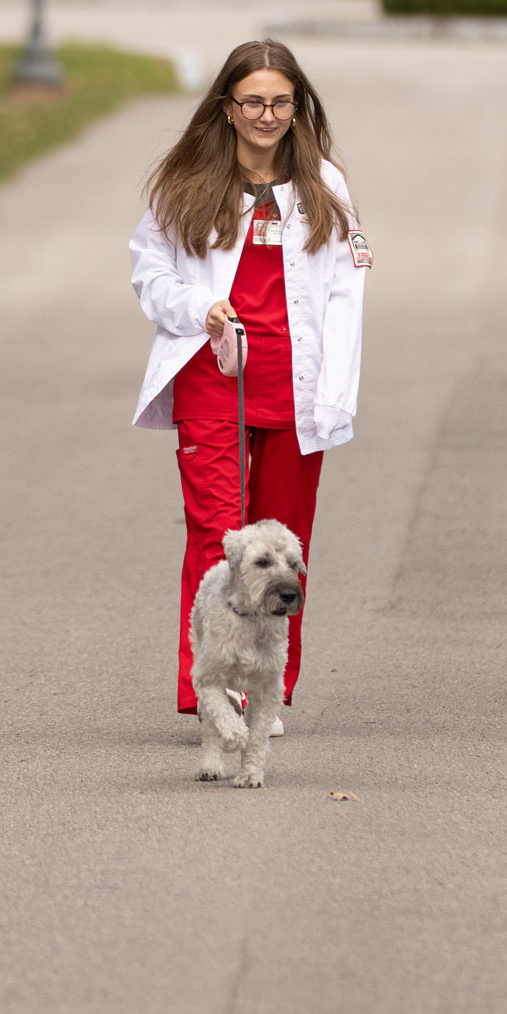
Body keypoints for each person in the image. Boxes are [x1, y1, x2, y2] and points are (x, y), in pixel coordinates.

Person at [130, 39, 367, 725]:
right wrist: (197, 309)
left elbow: (345, 293)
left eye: (280, 102)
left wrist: (338, 387)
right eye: (253, 101)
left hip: (296, 391)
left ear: (298, 108)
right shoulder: (189, 184)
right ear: (227, 108)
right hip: (213, 382)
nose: (267, 114)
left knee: (285, 551)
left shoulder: (324, 184)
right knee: (217, 538)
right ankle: (211, 687)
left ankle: (264, 689)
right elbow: (150, 272)